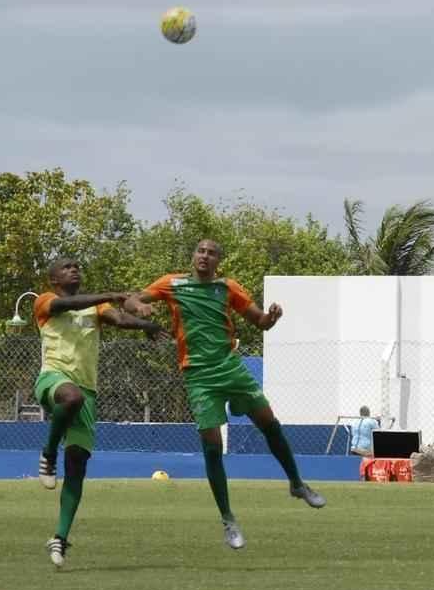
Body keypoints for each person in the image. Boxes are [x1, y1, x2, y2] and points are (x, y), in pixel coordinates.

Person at [125, 239, 326, 551]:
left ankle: (297, 484)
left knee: (269, 423)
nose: (204, 255)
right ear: (193, 256)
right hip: (198, 375)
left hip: (231, 368)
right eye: (200, 251)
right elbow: (131, 299)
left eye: (211, 252)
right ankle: (228, 519)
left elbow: (259, 321)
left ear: (219, 260)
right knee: (213, 447)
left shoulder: (227, 287)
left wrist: (273, 317)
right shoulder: (171, 284)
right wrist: (139, 307)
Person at [34, 257, 168, 568]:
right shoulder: (46, 301)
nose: (75, 269)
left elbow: (120, 320)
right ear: (53, 279)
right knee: (71, 398)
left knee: (77, 462)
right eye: (67, 267)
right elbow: (71, 305)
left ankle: (60, 537)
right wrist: (111, 293)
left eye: (77, 266)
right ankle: (49, 452)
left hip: (87, 391)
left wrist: (147, 324)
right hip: (53, 380)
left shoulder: (95, 308)